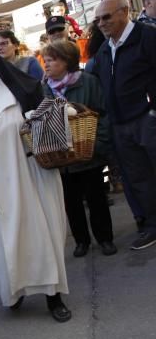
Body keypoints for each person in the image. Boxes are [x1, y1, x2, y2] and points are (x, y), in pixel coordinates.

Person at [0, 45, 72, 321]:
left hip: (31, 173)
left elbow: (45, 119)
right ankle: (14, 292)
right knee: (3, 239)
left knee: (43, 233)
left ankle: (54, 297)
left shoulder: (23, 90)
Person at [40, 40, 117, 257]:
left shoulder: (88, 82)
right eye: (45, 60)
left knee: (97, 197)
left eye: (52, 60)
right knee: (71, 203)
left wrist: (98, 144)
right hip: (63, 160)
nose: (46, 64)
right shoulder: (45, 89)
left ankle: (105, 238)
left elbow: (102, 114)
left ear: (66, 61)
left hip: (91, 155)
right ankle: (81, 241)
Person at [93, 0, 156, 250]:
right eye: (98, 19)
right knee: (139, 178)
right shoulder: (105, 49)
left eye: (106, 17)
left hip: (147, 118)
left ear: (124, 12)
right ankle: (152, 226)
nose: (101, 23)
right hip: (121, 125)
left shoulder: (147, 37)